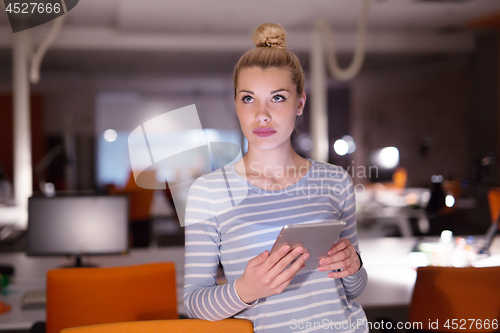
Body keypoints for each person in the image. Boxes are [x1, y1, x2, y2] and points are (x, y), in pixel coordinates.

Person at [183, 23, 368, 333]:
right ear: (236, 106)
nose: (262, 114)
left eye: (278, 98)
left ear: (300, 104)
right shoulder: (208, 192)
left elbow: (353, 289)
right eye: (248, 98)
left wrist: (354, 266)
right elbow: (194, 302)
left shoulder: (335, 181)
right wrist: (245, 290)